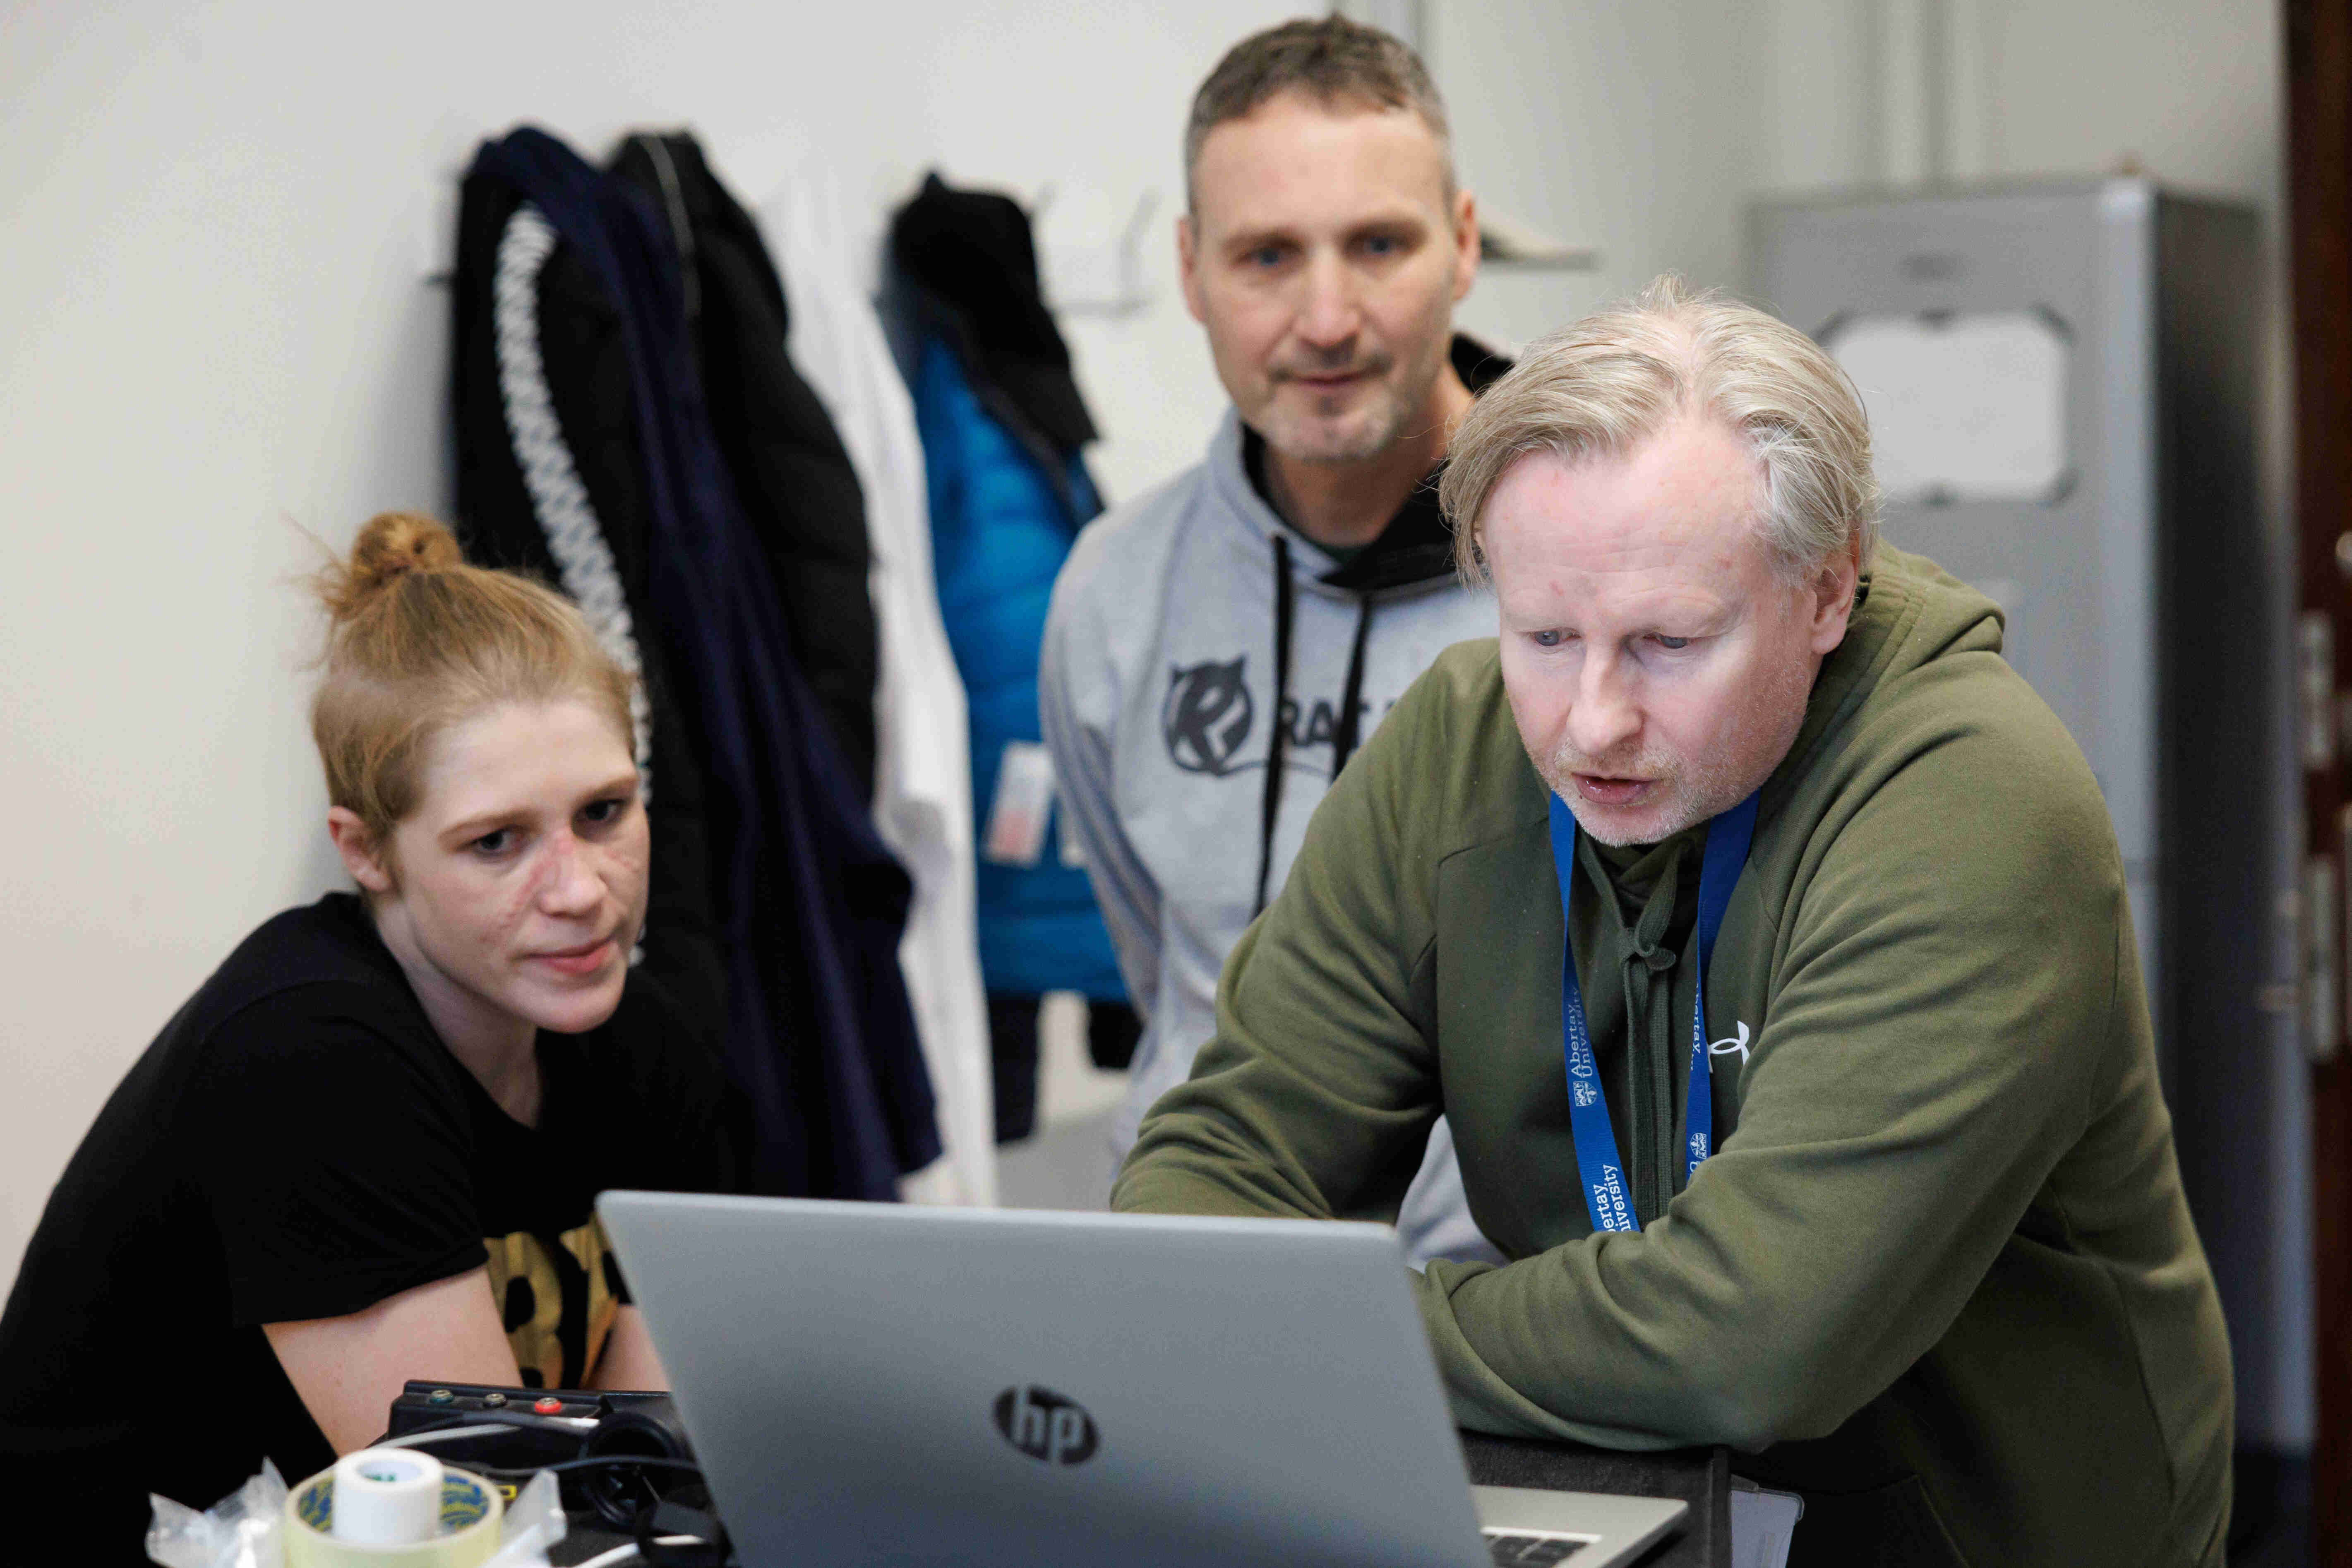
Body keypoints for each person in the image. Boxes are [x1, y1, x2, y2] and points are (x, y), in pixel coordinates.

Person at [1111, 280, 2233, 1564]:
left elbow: (1755, 1338)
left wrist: (1323, 1340)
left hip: (1981, 1534)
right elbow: (1227, 1159)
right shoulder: (1457, 746)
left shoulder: (1972, 798)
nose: (1590, 722)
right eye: (1543, 632)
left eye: (1666, 641)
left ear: (1826, 589)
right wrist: (1214, 1315)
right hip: (1622, 1508)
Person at [0, 514, 742, 1558]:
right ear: (367, 851)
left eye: (605, 811)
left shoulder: (631, 1034)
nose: (582, 891)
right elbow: (489, 1523)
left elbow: (644, 1480)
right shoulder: (311, 1055)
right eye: (497, 842)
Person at [1041, 15, 1503, 1257]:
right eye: (1265, 257)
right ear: (1191, 270)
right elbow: (1167, 970)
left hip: (1512, 1332)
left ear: (1460, 244)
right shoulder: (1114, 588)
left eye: (1377, 244)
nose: (1326, 318)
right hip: (1197, 1285)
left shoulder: (1594, 580)